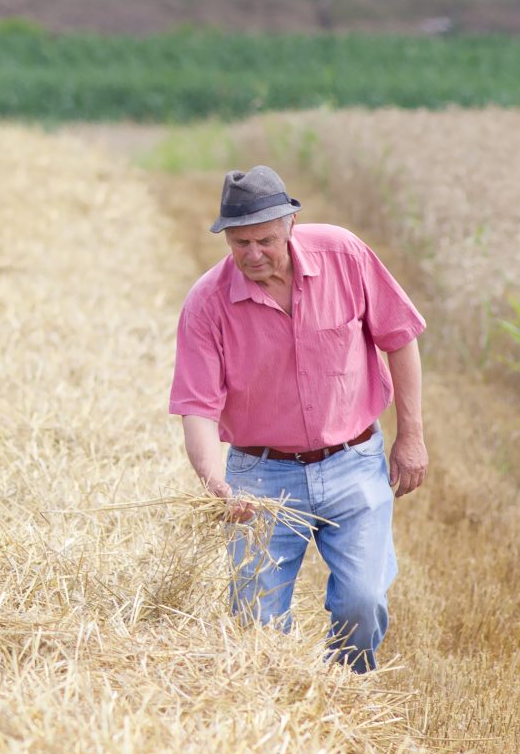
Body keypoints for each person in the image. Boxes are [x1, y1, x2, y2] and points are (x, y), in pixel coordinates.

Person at [168, 165, 428, 671]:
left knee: (362, 604)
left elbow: (400, 336)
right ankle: (274, 722)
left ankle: (345, 698)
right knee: (256, 627)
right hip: (260, 478)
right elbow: (197, 407)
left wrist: (410, 436)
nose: (252, 254)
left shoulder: (345, 255)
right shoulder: (206, 303)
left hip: (353, 462)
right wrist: (215, 483)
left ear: (291, 224)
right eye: (239, 243)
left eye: (264, 240)